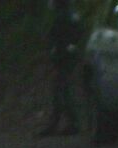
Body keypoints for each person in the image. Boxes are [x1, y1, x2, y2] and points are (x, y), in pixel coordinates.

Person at [37, 0, 85, 136]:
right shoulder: (67, 14)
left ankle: (69, 123)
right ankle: (61, 122)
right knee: (60, 89)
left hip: (65, 57)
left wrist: (64, 48)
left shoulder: (65, 15)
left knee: (62, 89)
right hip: (63, 55)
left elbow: (68, 35)